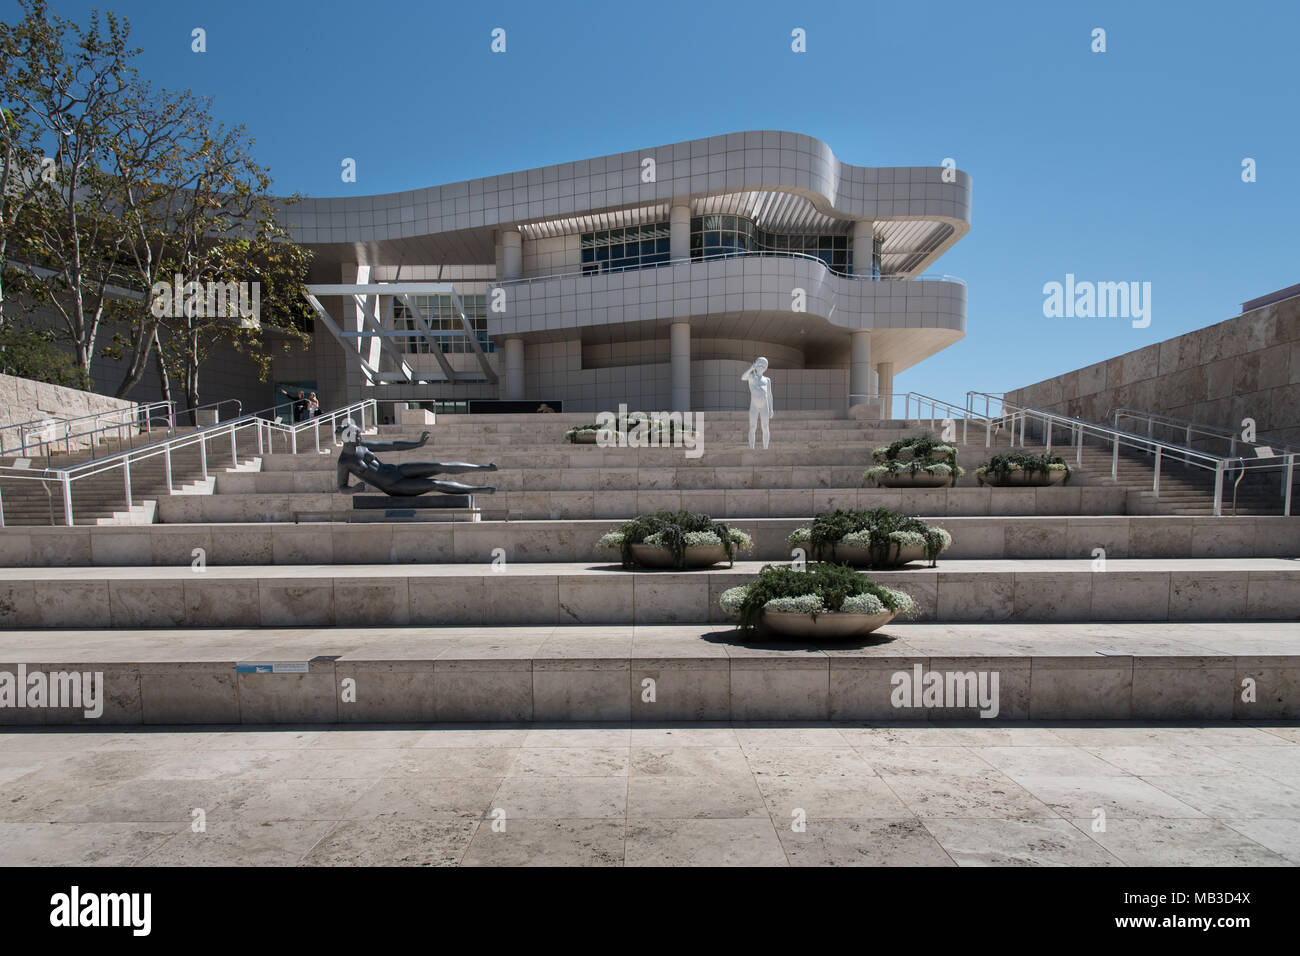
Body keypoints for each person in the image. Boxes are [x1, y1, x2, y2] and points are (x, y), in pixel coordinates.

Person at [334, 419, 498, 497]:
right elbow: (342, 487)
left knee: (439, 466)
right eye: (356, 434)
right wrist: (354, 490)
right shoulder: (344, 462)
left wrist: (417, 444)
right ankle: (478, 490)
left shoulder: (363, 445)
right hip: (393, 485)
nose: (360, 435)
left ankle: (482, 467)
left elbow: (393, 445)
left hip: (396, 470)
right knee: (435, 484)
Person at [741, 357, 774, 450]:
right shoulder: (752, 376)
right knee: (752, 427)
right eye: (759, 364)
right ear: (755, 364)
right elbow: (743, 377)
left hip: (765, 404)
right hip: (754, 404)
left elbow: (770, 394)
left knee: (765, 426)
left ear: (766, 367)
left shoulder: (767, 380)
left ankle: (766, 448)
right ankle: (752, 448)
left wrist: (771, 408)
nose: (761, 366)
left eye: (764, 365)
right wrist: (751, 368)